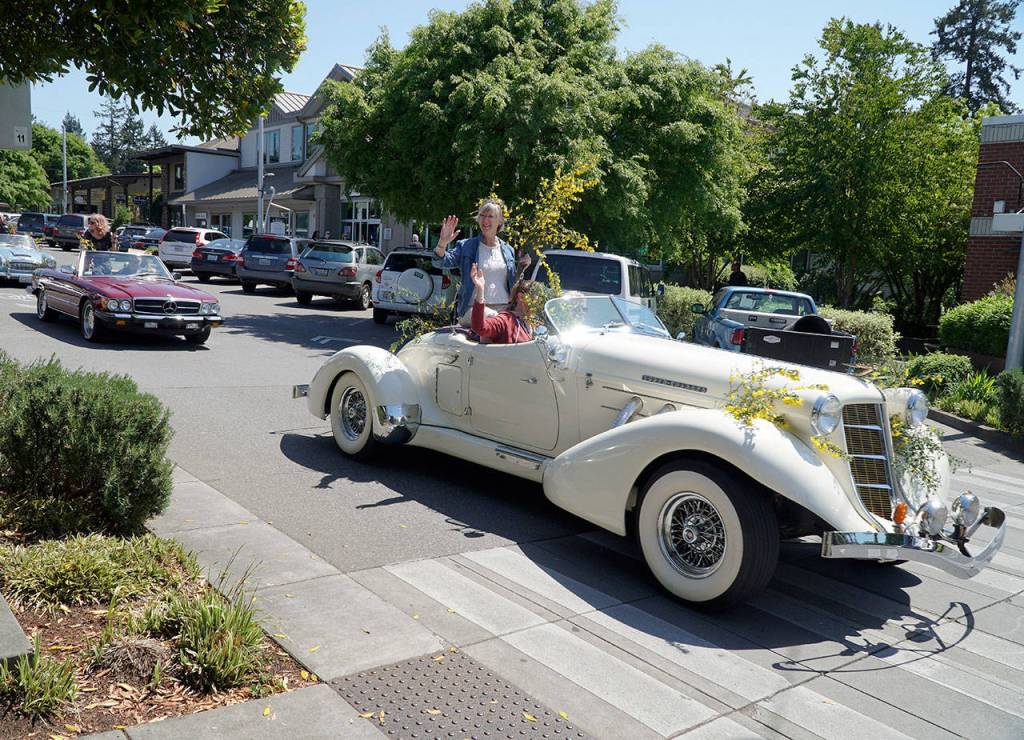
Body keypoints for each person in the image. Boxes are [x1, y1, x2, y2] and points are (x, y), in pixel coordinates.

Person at [432, 201, 531, 326]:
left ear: (499, 221)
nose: (485, 220)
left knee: (526, 326)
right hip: (474, 309)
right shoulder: (467, 246)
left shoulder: (508, 249)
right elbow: (440, 262)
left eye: (490, 216)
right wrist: (442, 243)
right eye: (482, 216)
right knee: (495, 320)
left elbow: (513, 283)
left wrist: (523, 267)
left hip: (504, 309)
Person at [469, 263, 534, 344]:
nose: (538, 303)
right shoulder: (505, 320)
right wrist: (480, 289)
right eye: (534, 298)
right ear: (521, 297)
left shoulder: (532, 323)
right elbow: (480, 327)